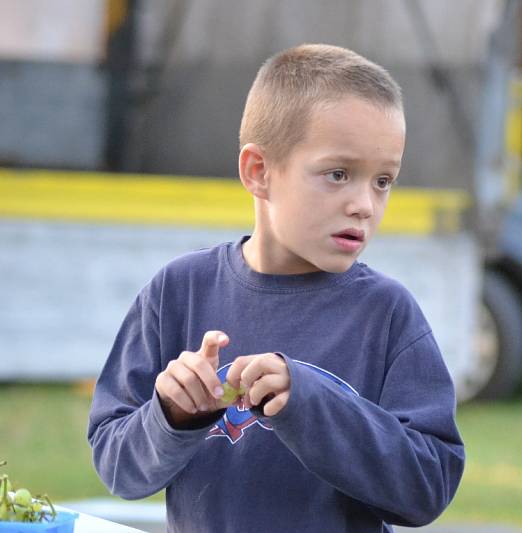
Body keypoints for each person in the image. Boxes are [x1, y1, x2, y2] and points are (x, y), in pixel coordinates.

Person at [87, 43, 465, 532]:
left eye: (383, 181)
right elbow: (118, 468)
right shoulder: (177, 293)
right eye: (338, 174)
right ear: (258, 172)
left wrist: (309, 402)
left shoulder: (387, 314)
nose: (364, 205)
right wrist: (170, 417)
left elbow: (427, 488)